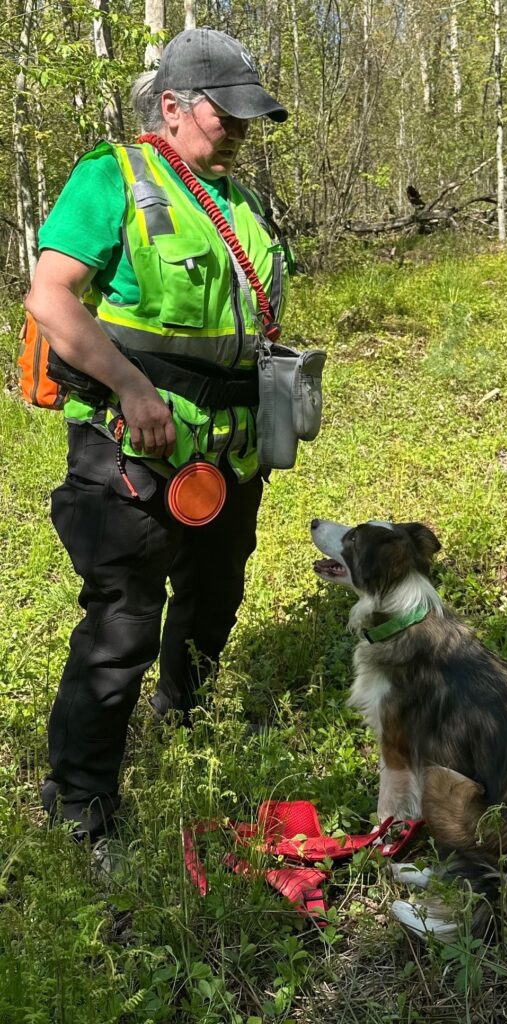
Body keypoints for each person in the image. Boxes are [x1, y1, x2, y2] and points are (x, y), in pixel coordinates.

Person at [25, 28, 291, 842]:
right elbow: (51, 297)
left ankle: (187, 727)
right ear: (173, 107)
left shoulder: (242, 203)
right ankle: (81, 806)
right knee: (120, 628)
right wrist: (132, 386)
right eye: (227, 113)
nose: (240, 129)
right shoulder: (114, 178)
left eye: (250, 115)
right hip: (134, 453)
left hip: (231, 455)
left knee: (213, 605)